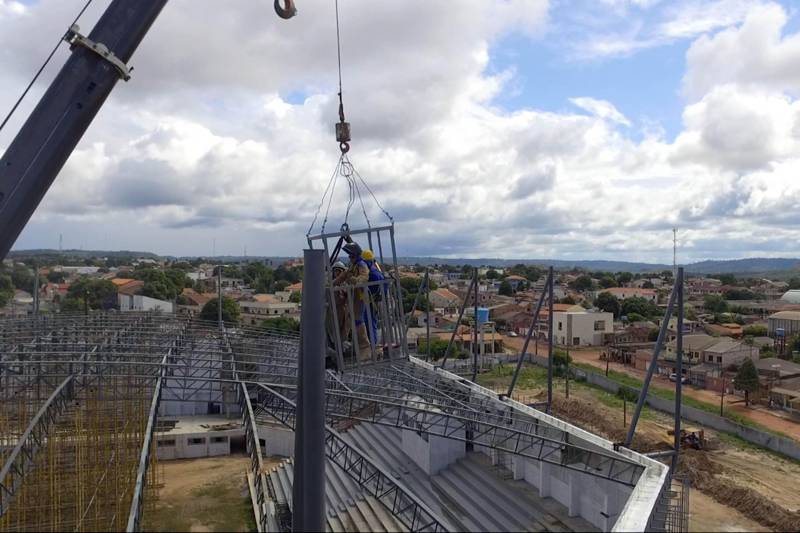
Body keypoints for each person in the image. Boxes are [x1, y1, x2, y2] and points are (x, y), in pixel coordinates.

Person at [334, 242, 372, 360]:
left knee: (358, 321)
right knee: (352, 320)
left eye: (351, 256)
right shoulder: (353, 265)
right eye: (349, 256)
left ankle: (365, 348)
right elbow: (343, 276)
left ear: (356, 255)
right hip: (354, 296)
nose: (350, 258)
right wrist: (332, 284)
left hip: (360, 297)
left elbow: (363, 278)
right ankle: (357, 346)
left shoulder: (361, 265)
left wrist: (352, 279)